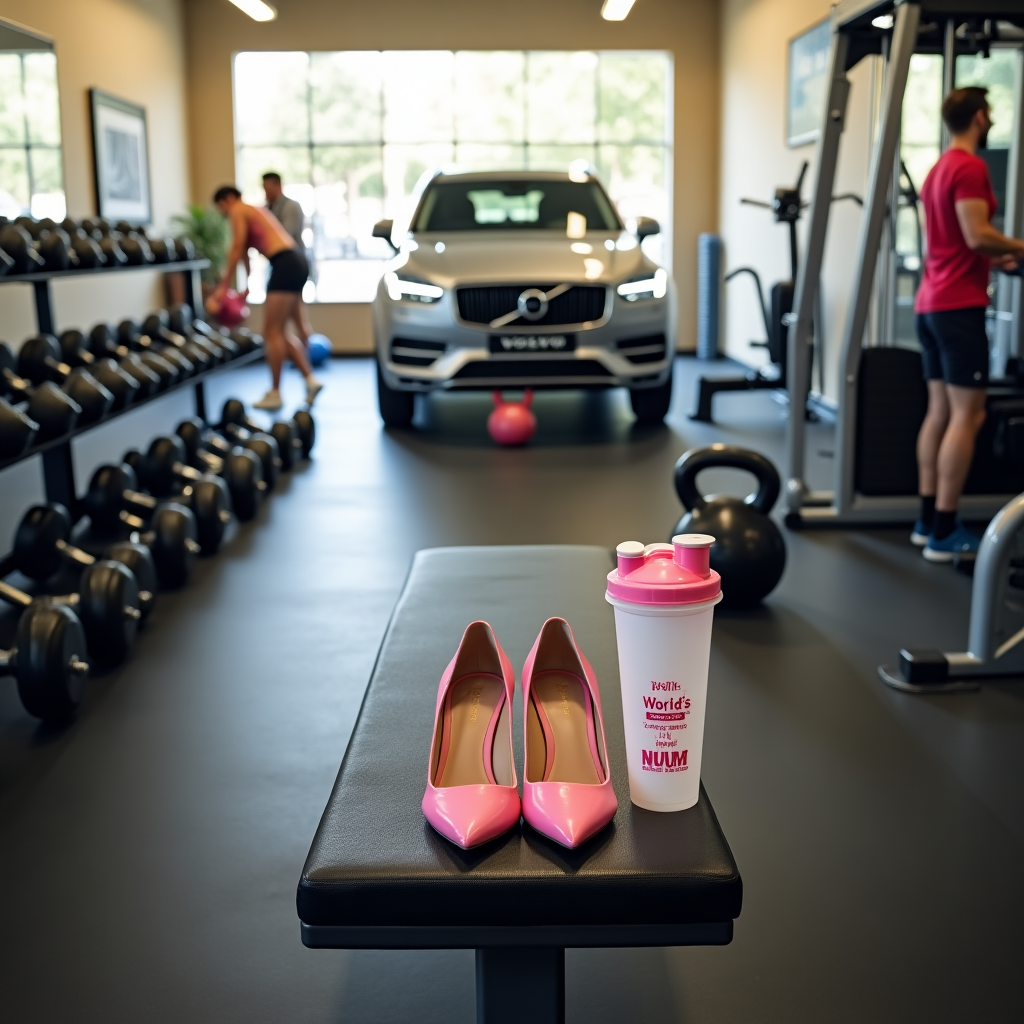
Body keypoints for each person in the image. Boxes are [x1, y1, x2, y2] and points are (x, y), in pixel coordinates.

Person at [913, 87, 1024, 562]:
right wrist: (1018, 247)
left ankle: (926, 522)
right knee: (967, 415)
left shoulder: (937, 170)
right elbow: (977, 234)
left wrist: (995, 260)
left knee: (940, 412)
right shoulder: (970, 167)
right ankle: (944, 530)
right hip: (958, 307)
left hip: (931, 302)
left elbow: (951, 241)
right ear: (979, 118)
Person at [211, 185, 323, 411]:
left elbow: (235, 247)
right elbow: (244, 252)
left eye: (220, 207)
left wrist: (223, 287)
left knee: (271, 332)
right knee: (280, 332)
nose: (222, 213)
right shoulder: (253, 210)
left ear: (228, 199)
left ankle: (275, 393)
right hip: (295, 262)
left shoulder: (238, 210)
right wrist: (247, 285)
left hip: (285, 264)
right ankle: (311, 381)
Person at [262, 171, 315, 357]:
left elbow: (285, 235)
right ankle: (305, 366)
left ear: (278, 185)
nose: (266, 192)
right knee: (296, 319)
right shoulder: (268, 208)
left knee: (287, 323)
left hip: (292, 265)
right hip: (281, 266)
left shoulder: (291, 206)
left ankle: (306, 360)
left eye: (268, 188)